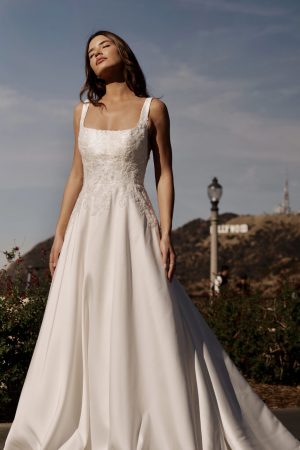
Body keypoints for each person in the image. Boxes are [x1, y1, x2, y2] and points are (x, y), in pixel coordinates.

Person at [4, 30, 300, 450]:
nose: (96, 53)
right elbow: (76, 175)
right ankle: (84, 418)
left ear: (123, 52)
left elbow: (164, 174)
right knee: (83, 315)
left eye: (103, 45)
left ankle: (154, 413)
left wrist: (166, 233)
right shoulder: (81, 113)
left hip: (131, 222)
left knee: (147, 313)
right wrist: (60, 232)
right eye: (90, 52)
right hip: (88, 225)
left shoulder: (153, 109)